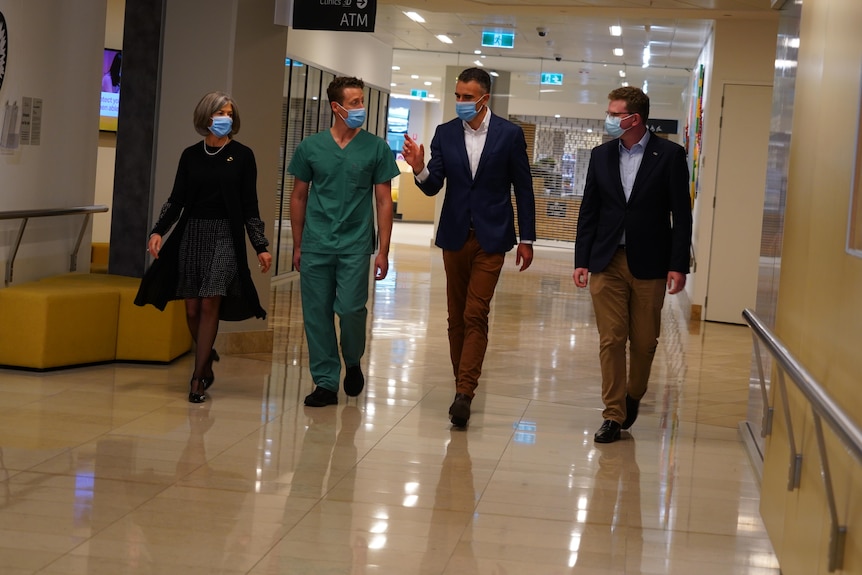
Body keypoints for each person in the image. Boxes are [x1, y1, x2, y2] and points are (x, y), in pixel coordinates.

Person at [401, 67, 536, 428]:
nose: (460, 102)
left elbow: (523, 188)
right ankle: (461, 381)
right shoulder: (446, 133)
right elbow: (433, 186)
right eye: (457, 95)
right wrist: (418, 169)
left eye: (466, 96)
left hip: (492, 238)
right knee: (456, 315)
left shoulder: (509, 134)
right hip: (455, 235)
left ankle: (464, 392)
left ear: (484, 98)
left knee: (476, 312)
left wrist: (527, 239)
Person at [135, 91, 272, 403]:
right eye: (220, 112)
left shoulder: (243, 155)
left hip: (226, 235)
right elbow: (177, 200)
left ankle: (197, 378)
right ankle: (206, 356)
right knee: (193, 306)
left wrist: (259, 245)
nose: (226, 118)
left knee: (211, 301)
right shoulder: (190, 155)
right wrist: (158, 231)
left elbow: (250, 205)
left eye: (230, 113)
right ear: (206, 117)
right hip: (191, 234)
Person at [573, 86, 692, 443]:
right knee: (611, 340)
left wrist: (678, 264)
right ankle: (612, 414)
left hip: (650, 263)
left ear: (634, 118)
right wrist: (582, 259)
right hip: (606, 260)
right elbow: (589, 210)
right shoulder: (601, 155)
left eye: (614, 113)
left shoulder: (670, 155)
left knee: (644, 342)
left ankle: (634, 394)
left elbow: (681, 215)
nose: (608, 118)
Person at [288, 76, 400, 407]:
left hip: (355, 244)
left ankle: (352, 359)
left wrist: (384, 250)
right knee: (316, 314)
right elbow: (298, 196)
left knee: (351, 310)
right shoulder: (310, 148)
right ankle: (325, 382)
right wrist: (297, 244)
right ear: (336, 107)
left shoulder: (376, 148)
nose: (361, 108)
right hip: (316, 243)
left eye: (362, 102)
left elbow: (383, 201)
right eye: (354, 103)